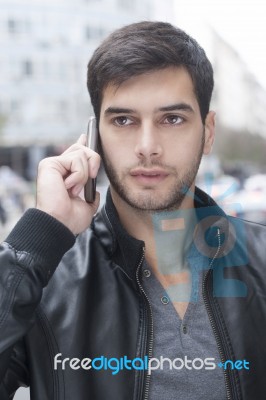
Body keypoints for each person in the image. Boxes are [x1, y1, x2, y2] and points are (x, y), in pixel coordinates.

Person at [0, 21, 265, 400]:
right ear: (95, 138)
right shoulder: (47, 280)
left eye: (172, 119)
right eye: (123, 120)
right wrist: (39, 238)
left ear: (208, 131)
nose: (147, 146)